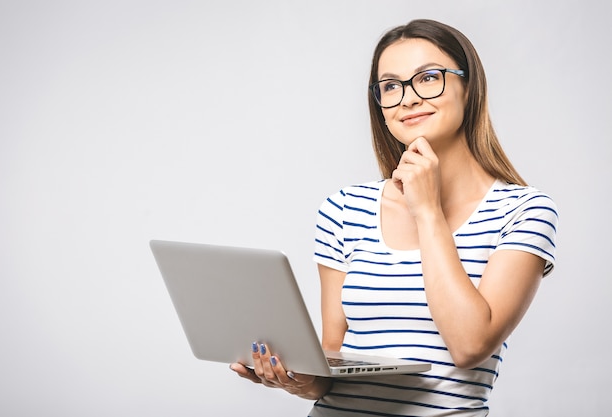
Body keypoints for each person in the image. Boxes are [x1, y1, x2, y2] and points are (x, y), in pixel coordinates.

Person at [230, 18, 558, 416]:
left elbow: (470, 345)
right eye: (390, 86)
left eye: (428, 78)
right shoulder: (345, 208)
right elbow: (332, 361)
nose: (408, 98)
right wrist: (295, 378)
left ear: (469, 88)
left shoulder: (523, 211)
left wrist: (427, 211)